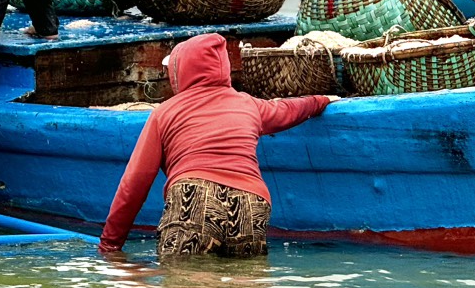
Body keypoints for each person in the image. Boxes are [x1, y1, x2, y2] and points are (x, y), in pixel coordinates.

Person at [99, 33, 337, 257]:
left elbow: (134, 184)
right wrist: (322, 100)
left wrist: (110, 244)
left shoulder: (165, 113)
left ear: (180, 72)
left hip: (193, 198)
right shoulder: (248, 104)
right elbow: (289, 109)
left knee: (186, 287)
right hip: (250, 202)